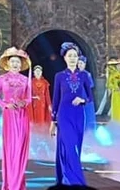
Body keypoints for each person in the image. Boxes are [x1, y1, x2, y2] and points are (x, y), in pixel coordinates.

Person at [50, 43, 93, 187]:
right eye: (70, 56)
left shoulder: (84, 76)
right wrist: (53, 121)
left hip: (79, 115)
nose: (73, 58)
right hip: (64, 115)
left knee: (76, 146)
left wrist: (82, 100)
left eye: (75, 56)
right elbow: (55, 99)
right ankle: (75, 180)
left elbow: (90, 98)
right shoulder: (59, 76)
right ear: (65, 58)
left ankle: (67, 177)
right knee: (68, 145)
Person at [0, 47, 32, 190]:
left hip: (22, 117)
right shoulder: (2, 79)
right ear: (8, 64)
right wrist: (5, 105)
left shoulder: (26, 80)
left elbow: (29, 98)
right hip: (9, 117)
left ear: (21, 65)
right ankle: (9, 184)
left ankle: (19, 183)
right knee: (10, 150)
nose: (15, 64)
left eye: (17, 62)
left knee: (20, 149)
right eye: (13, 61)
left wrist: (23, 102)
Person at [29, 65, 52, 132]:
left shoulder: (45, 82)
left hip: (43, 104)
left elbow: (47, 95)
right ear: (34, 73)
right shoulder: (30, 82)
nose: (38, 72)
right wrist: (33, 97)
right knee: (34, 120)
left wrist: (49, 105)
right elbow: (27, 95)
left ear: (41, 72)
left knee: (43, 119)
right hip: (34, 104)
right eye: (36, 71)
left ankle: (42, 134)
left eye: (39, 71)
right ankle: (35, 134)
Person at [77, 56, 96, 131]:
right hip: (78, 96)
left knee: (88, 114)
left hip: (85, 96)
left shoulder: (87, 74)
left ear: (84, 64)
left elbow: (90, 86)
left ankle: (89, 130)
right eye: (78, 63)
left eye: (81, 63)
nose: (80, 65)